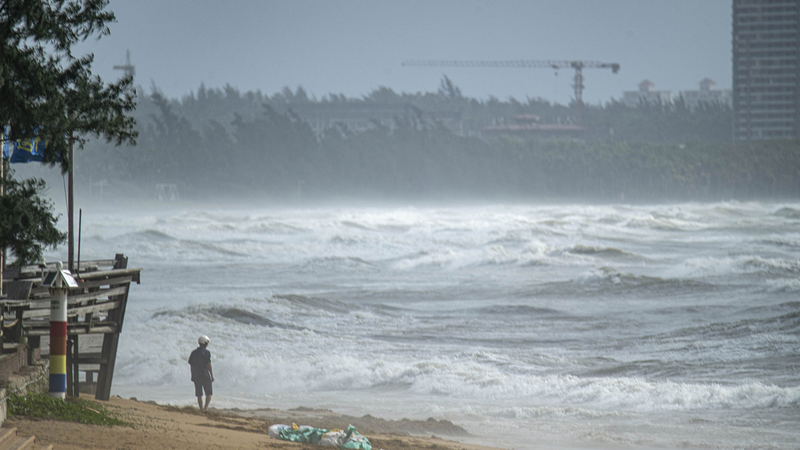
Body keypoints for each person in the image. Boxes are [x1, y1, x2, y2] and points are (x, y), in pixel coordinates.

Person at [188, 335, 214, 411]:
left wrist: (192, 375)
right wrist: (212, 375)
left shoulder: (193, 352)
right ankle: (206, 407)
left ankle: (201, 408)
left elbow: (192, 365)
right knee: (209, 393)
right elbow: (209, 364)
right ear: (205, 343)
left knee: (199, 394)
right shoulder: (207, 353)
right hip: (205, 374)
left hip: (196, 374)